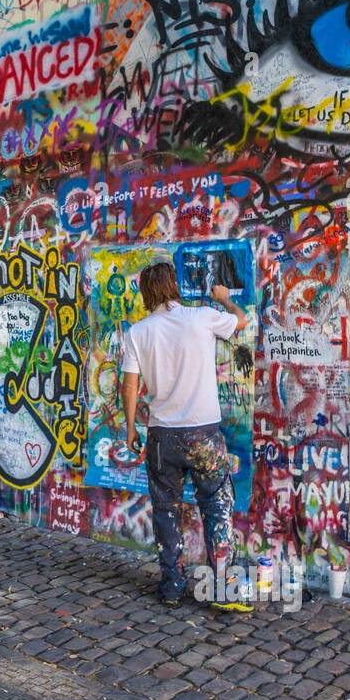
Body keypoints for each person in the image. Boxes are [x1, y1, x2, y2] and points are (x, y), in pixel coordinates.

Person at [120, 261, 250, 611]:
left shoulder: (138, 332)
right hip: (203, 434)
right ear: (174, 287)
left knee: (166, 510)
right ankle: (223, 588)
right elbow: (242, 321)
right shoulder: (201, 317)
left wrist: (132, 427)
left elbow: (130, 386)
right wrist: (225, 299)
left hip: (162, 437)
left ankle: (172, 586)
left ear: (147, 293)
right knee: (217, 507)